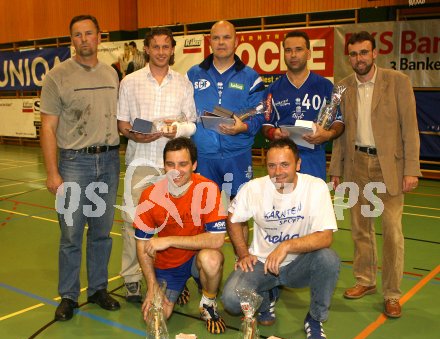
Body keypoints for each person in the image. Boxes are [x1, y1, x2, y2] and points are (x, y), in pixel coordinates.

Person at [329, 31, 421, 318]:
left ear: (374, 53)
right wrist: (336, 170)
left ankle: (392, 293)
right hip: (356, 164)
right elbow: (339, 133)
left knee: (392, 231)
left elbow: (410, 129)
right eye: (354, 54)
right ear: (349, 57)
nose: (359, 59)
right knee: (360, 228)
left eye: (364, 53)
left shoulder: (398, 82)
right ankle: (365, 280)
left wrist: (411, 169)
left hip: (389, 167)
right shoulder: (343, 87)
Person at [40, 15, 121, 321]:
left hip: (110, 161)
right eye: (78, 35)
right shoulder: (57, 77)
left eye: (89, 33)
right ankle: (69, 296)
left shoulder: (113, 74)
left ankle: (98, 288)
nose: (84, 39)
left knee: (101, 232)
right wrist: (52, 171)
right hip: (74, 164)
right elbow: (47, 128)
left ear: (100, 36)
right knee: (71, 233)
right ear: (71, 40)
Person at [222, 138, 340, 339]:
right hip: (261, 263)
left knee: (328, 259)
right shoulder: (253, 188)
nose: (278, 172)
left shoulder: (315, 187)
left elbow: (325, 237)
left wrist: (286, 246)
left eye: (285, 164)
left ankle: (315, 318)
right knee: (231, 300)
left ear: (298, 164)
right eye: (271, 165)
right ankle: (266, 295)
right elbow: (232, 218)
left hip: (298, 264)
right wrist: (242, 253)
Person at [117, 27, 197, 302]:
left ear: (172, 50)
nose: (161, 52)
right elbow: (123, 124)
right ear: (147, 50)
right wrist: (134, 134)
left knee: (172, 224)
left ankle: (169, 275)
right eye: (156, 47)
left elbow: (192, 123)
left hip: (173, 166)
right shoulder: (129, 82)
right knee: (132, 222)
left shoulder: (183, 83)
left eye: (166, 46)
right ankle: (131, 278)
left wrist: (178, 130)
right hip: (141, 161)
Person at [134, 137, 227, 334]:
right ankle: (180, 285)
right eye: (170, 164)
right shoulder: (150, 195)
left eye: (183, 164)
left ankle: (208, 302)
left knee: (211, 259)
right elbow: (142, 244)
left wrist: (168, 240)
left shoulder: (208, 188)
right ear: (163, 165)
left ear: (194, 164)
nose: (176, 171)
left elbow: (217, 239)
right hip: (169, 264)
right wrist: (152, 286)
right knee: (155, 320)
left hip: (197, 256)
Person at [186, 20, 265, 199]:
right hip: (203, 157)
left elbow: (260, 114)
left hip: (238, 156)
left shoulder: (250, 77)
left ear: (236, 42)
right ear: (210, 42)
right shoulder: (192, 74)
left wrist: (243, 127)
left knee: (237, 216)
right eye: (216, 38)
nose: (221, 42)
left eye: (227, 37)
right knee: (205, 215)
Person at [260, 31, 344, 181]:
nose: (293, 55)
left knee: (313, 204)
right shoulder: (272, 89)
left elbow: (339, 121)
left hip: (314, 159)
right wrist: (275, 133)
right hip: (282, 160)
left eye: (298, 49)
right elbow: (266, 125)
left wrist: (327, 135)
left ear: (309, 53)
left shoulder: (325, 86)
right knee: (282, 204)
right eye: (288, 50)